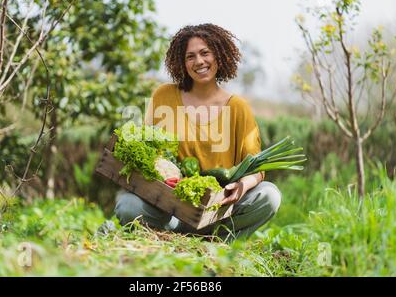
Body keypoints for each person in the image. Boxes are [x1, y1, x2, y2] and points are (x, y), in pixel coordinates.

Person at [114, 23, 281, 241]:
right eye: (190, 56)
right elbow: (148, 146)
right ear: (182, 63)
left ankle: (220, 241)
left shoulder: (238, 108)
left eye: (205, 53)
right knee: (128, 206)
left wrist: (242, 185)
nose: (199, 61)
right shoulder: (164, 96)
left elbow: (257, 169)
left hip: (219, 212)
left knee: (269, 195)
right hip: (169, 212)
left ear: (219, 56)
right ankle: (168, 239)